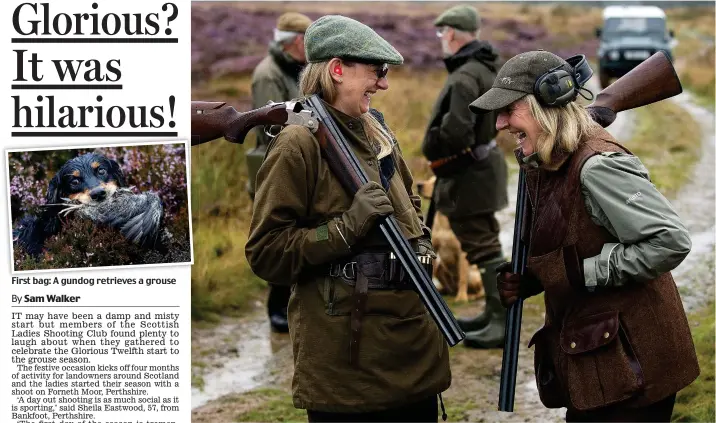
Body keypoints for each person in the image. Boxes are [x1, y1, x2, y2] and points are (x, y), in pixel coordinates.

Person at [469, 50, 699, 421]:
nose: (499, 124)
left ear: (548, 105)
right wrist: (534, 275)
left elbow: (669, 241)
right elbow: (571, 236)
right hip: (601, 358)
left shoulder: (597, 166)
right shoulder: (548, 157)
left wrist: (583, 272)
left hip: (634, 362)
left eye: (509, 110)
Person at [245, 15, 450, 422]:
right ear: (338, 69)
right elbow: (267, 253)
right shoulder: (296, 144)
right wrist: (347, 226)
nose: (384, 83)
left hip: (409, 344)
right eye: (377, 71)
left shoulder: (375, 130)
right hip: (348, 364)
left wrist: (421, 246)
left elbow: (409, 204)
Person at [421, 4, 508, 348]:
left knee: (481, 242)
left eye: (442, 32)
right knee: (486, 240)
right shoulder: (484, 69)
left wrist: (434, 142)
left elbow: (457, 131)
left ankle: (500, 322)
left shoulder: (464, 76)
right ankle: (494, 314)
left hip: (467, 172)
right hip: (481, 167)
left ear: (452, 33)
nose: (441, 38)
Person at [249, 12, 312, 333]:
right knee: (278, 238)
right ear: (298, 42)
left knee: (299, 235)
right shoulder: (267, 74)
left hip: (295, 166)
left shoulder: (294, 70)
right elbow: (269, 129)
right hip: (274, 169)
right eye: (309, 41)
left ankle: (294, 304)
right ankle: (277, 309)